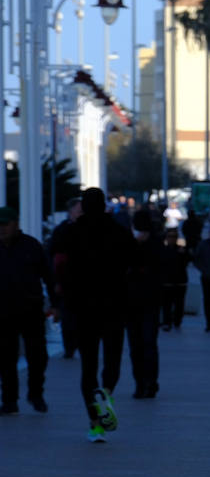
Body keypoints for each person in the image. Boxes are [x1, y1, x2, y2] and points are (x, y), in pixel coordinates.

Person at [49, 187, 137, 442]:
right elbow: (134, 259)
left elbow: (55, 255)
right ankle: (106, 392)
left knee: (88, 366)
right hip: (113, 306)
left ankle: (95, 423)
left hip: (82, 308)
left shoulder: (70, 232)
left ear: (84, 207)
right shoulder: (118, 231)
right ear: (105, 206)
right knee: (113, 360)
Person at [0, 205, 56, 414]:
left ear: (15, 224)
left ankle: (36, 394)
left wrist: (55, 304)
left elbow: (48, 276)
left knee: (38, 356)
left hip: (30, 310)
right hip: (3, 312)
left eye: (5, 225)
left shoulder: (31, 247)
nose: (2, 229)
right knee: (6, 357)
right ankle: (9, 400)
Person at [126, 210, 164, 398]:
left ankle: (146, 383)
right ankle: (144, 382)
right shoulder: (133, 246)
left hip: (143, 302)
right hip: (141, 302)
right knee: (142, 345)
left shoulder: (154, 246)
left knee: (143, 345)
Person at [48, 197, 83, 358]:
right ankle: (70, 346)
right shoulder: (61, 230)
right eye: (78, 210)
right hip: (66, 281)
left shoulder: (88, 229)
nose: (81, 213)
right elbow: (53, 255)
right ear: (71, 212)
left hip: (82, 282)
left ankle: (79, 344)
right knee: (68, 317)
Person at [159, 229, 191, 331]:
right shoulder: (162, 250)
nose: (172, 239)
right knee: (166, 304)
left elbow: (188, 261)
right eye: (170, 236)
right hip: (166, 282)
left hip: (180, 282)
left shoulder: (182, 250)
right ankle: (166, 322)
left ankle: (177, 321)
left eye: (174, 237)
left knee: (179, 304)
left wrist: (184, 254)